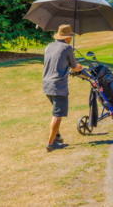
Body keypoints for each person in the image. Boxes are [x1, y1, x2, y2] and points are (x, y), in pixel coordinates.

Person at [42, 24, 82, 152]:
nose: (71, 38)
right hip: (58, 85)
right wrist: (79, 67)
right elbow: (75, 67)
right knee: (57, 115)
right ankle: (51, 143)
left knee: (56, 110)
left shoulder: (49, 46)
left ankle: (57, 136)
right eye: (70, 36)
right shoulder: (67, 48)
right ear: (67, 37)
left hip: (46, 84)